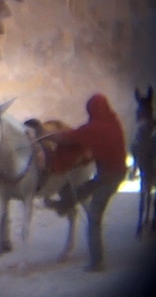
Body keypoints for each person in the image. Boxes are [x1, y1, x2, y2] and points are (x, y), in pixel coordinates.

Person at [44, 94, 126, 272]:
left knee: (94, 217)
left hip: (109, 176)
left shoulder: (96, 127)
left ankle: (97, 262)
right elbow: (80, 135)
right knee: (82, 190)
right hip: (111, 173)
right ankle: (63, 204)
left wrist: (48, 136)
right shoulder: (113, 122)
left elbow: (70, 138)